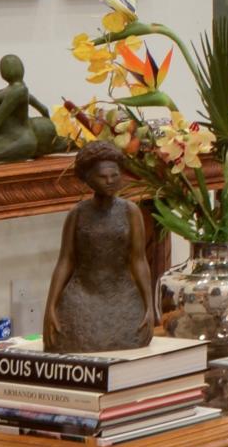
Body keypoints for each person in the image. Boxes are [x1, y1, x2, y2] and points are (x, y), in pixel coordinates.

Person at [43, 140, 158, 352]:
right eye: (102, 176)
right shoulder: (78, 213)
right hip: (82, 296)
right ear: (88, 178)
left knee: (134, 336)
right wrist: (50, 306)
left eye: (115, 175)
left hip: (122, 296)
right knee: (66, 340)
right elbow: (66, 260)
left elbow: (139, 259)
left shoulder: (130, 211)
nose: (110, 181)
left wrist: (150, 306)